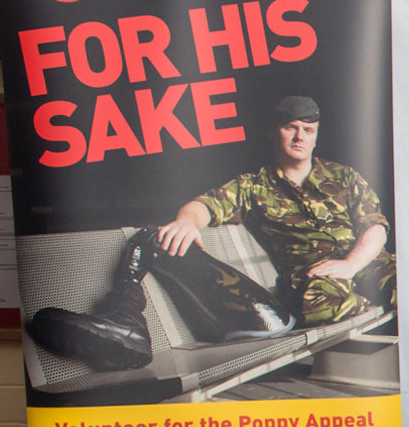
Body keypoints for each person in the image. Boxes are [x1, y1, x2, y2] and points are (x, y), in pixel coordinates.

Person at [157, 94, 396, 327]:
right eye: (290, 128)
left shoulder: (344, 176)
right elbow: (205, 205)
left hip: (364, 262)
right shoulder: (253, 186)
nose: (299, 137)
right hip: (316, 277)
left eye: (308, 130)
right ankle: (363, 301)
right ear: (273, 131)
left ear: (315, 136)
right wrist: (186, 222)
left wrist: (350, 266)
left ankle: (362, 300)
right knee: (318, 305)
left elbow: (375, 229)